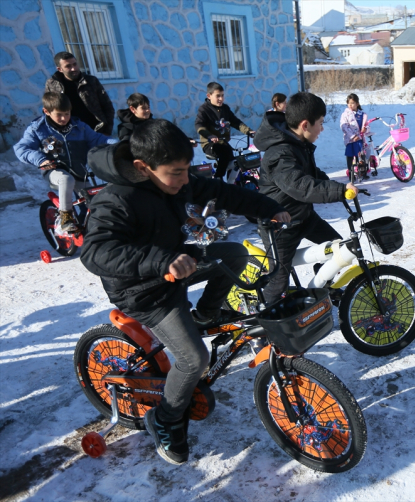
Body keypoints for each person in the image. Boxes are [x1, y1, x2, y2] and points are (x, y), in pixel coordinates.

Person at [79, 119, 289, 465]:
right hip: (144, 290)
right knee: (195, 359)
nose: (185, 179)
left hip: (177, 263)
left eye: (187, 170)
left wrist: (268, 208)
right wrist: (162, 260)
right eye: (176, 172)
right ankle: (165, 418)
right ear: (142, 167)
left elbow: (223, 192)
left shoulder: (177, 181)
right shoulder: (115, 200)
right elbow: (94, 253)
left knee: (236, 253)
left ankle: (205, 314)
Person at [255, 92, 359, 303]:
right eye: (320, 123)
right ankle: (263, 325)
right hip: (279, 227)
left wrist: (338, 186)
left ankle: (323, 289)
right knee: (278, 280)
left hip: (303, 217)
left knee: (338, 248)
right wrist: (337, 191)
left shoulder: (296, 143)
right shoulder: (280, 154)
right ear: (305, 125)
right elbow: (301, 186)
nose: (322, 128)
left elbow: (311, 173)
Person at [13, 92, 114, 232]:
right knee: (66, 179)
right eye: (59, 114)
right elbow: (21, 149)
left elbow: (99, 140)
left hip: (79, 171)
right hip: (54, 171)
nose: (64, 118)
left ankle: (91, 228)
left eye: (67, 114)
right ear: (46, 111)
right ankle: (65, 216)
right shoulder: (37, 129)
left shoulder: (79, 127)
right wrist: (41, 159)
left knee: (91, 200)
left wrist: (119, 144)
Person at [45, 52, 115, 136]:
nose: (73, 68)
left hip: (95, 130)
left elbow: (107, 106)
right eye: (68, 66)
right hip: (69, 133)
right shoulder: (52, 84)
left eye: (75, 64)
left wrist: (106, 131)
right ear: (60, 69)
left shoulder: (91, 81)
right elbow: (50, 109)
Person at [195, 82, 254, 180]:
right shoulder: (204, 110)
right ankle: (218, 180)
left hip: (224, 143)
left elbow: (235, 122)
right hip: (210, 144)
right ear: (209, 96)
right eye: (218, 96)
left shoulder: (225, 108)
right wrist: (209, 136)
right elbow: (199, 125)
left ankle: (232, 185)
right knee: (225, 153)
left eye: (222, 95)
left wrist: (249, 131)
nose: (221, 99)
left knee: (235, 162)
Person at [339, 93, 366, 179]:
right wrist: (353, 136)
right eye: (349, 103)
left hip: (359, 139)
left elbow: (366, 124)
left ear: (357, 103)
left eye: (353, 103)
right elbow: (344, 126)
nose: (350, 105)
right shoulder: (345, 114)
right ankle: (351, 174)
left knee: (360, 156)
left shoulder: (362, 115)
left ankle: (362, 172)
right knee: (350, 156)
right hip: (350, 140)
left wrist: (365, 129)